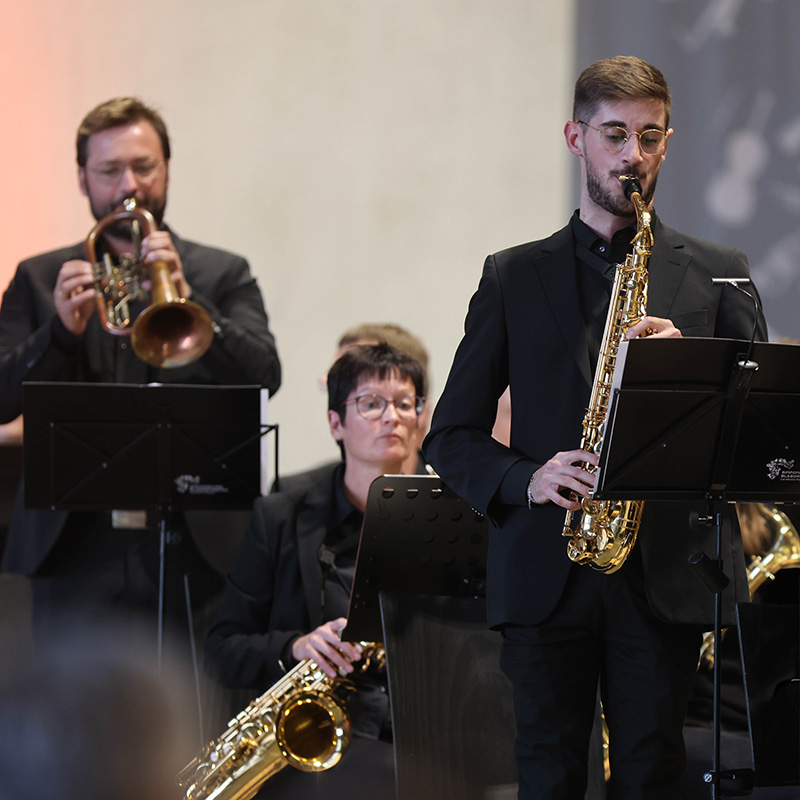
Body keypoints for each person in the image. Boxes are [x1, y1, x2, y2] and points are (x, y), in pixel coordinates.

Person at [423, 55, 768, 800]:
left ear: (667, 143)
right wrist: (530, 477)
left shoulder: (720, 273)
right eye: (615, 134)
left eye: (649, 137)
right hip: (548, 569)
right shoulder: (513, 276)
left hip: (664, 573)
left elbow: (760, 439)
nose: (632, 156)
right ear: (576, 138)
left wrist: (694, 374)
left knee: (651, 773)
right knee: (546, 777)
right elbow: (449, 435)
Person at [0, 97, 281, 652]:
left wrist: (191, 297)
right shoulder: (38, 278)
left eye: (144, 166)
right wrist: (58, 334)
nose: (129, 184)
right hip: (71, 546)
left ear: (167, 169)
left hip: (196, 546)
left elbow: (266, 374)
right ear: (83, 180)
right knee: (71, 730)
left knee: (192, 723)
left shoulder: (221, 272)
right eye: (109, 171)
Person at [204, 342, 427, 798]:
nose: (393, 417)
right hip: (322, 751)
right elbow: (222, 650)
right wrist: (296, 646)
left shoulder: (453, 516)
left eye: (406, 403)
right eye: (371, 404)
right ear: (335, 424)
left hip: (427, 736)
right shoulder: (280, 519)